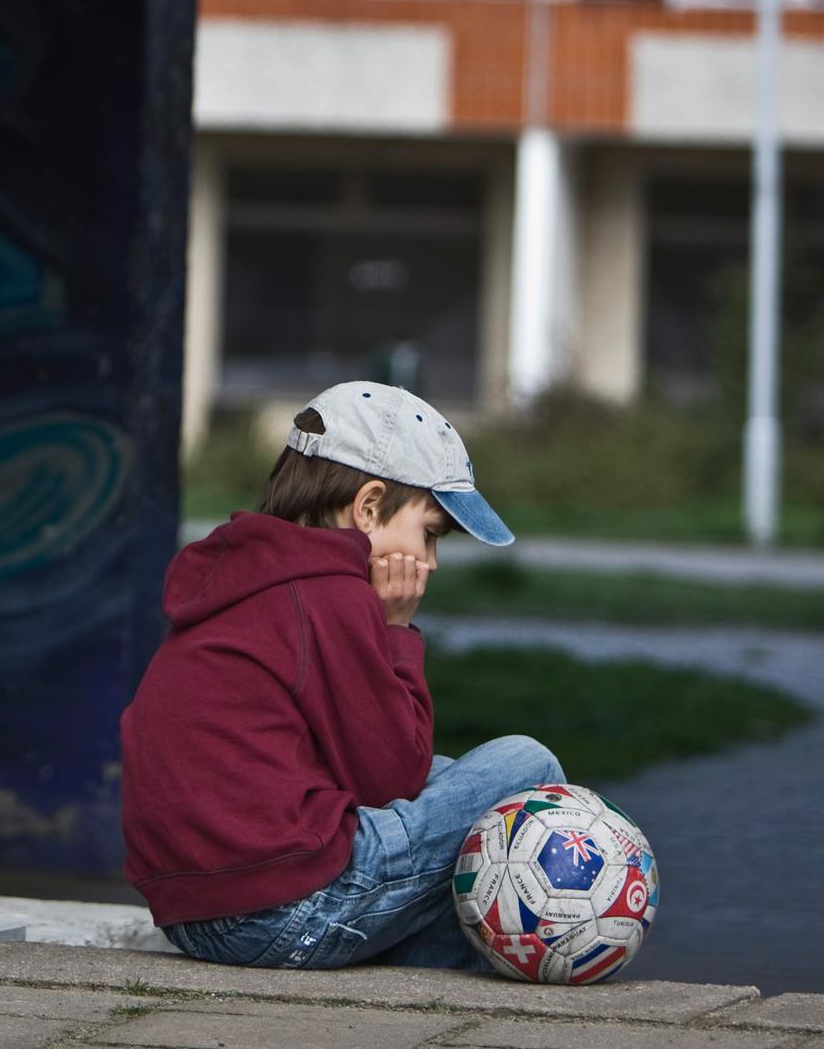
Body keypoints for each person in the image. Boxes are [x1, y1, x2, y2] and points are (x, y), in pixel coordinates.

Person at [120, 380, 561, 974]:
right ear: (369, 506)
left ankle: (447, 955)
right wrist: (398, 631)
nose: (430, 562)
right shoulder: (328, 592)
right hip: (285, 906)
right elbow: (390, 780)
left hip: (199, 916)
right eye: (430, 533)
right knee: (522, 769)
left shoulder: (249, 574)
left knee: (456, 784)